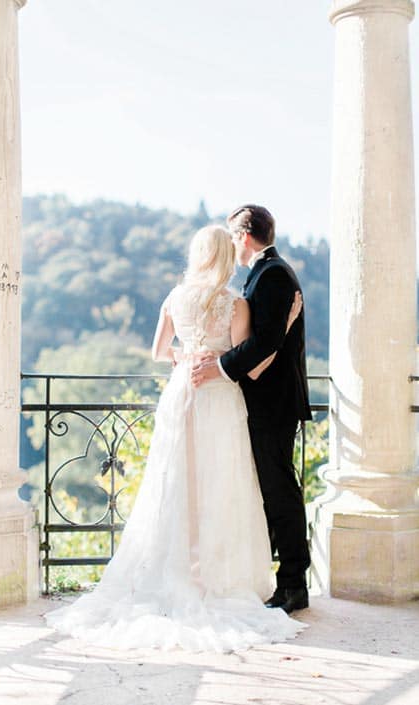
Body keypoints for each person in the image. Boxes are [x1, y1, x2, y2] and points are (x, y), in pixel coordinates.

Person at [45, 225, 305, 652]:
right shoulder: (235, 305)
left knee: (175, 484)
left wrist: (185, 356)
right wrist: (287, 324)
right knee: (221, 484)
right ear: (224, 256)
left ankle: (177, 569)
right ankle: (216, 576)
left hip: (181, 392)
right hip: (218, 398)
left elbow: (158, 352)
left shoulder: (174, 297)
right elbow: (253, 368)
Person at [190, 204, 312, 614]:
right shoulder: (266, 274)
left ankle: (294, 583)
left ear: (244, 236)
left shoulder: (273, 274)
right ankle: (283, 579)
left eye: (231, 237)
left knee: (280, 493)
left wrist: (219, 367)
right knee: (272, 491)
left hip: (273, 402)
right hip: (264, 399)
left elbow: (265, 343)